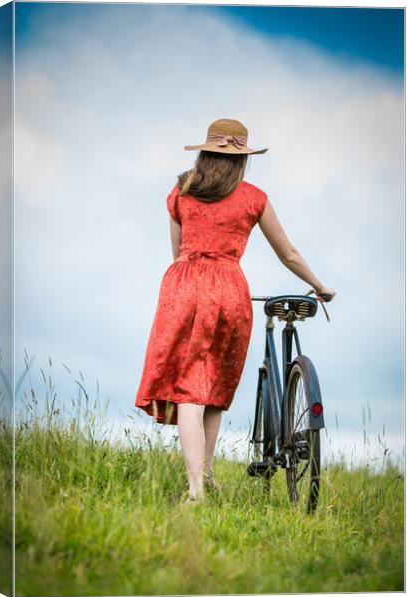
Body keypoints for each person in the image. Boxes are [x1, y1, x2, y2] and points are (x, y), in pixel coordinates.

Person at [135, 118, 336, 503]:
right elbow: (288, 253)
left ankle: (197, 488)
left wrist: (194, 278)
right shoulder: (253, 197)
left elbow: (178, 253)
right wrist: (320, 285)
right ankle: (204, 480)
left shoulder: (180, 193)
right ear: (242, 159)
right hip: (229, 291)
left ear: (205, 153)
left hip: (183, 287)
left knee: (188, 392)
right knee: (213, 387)